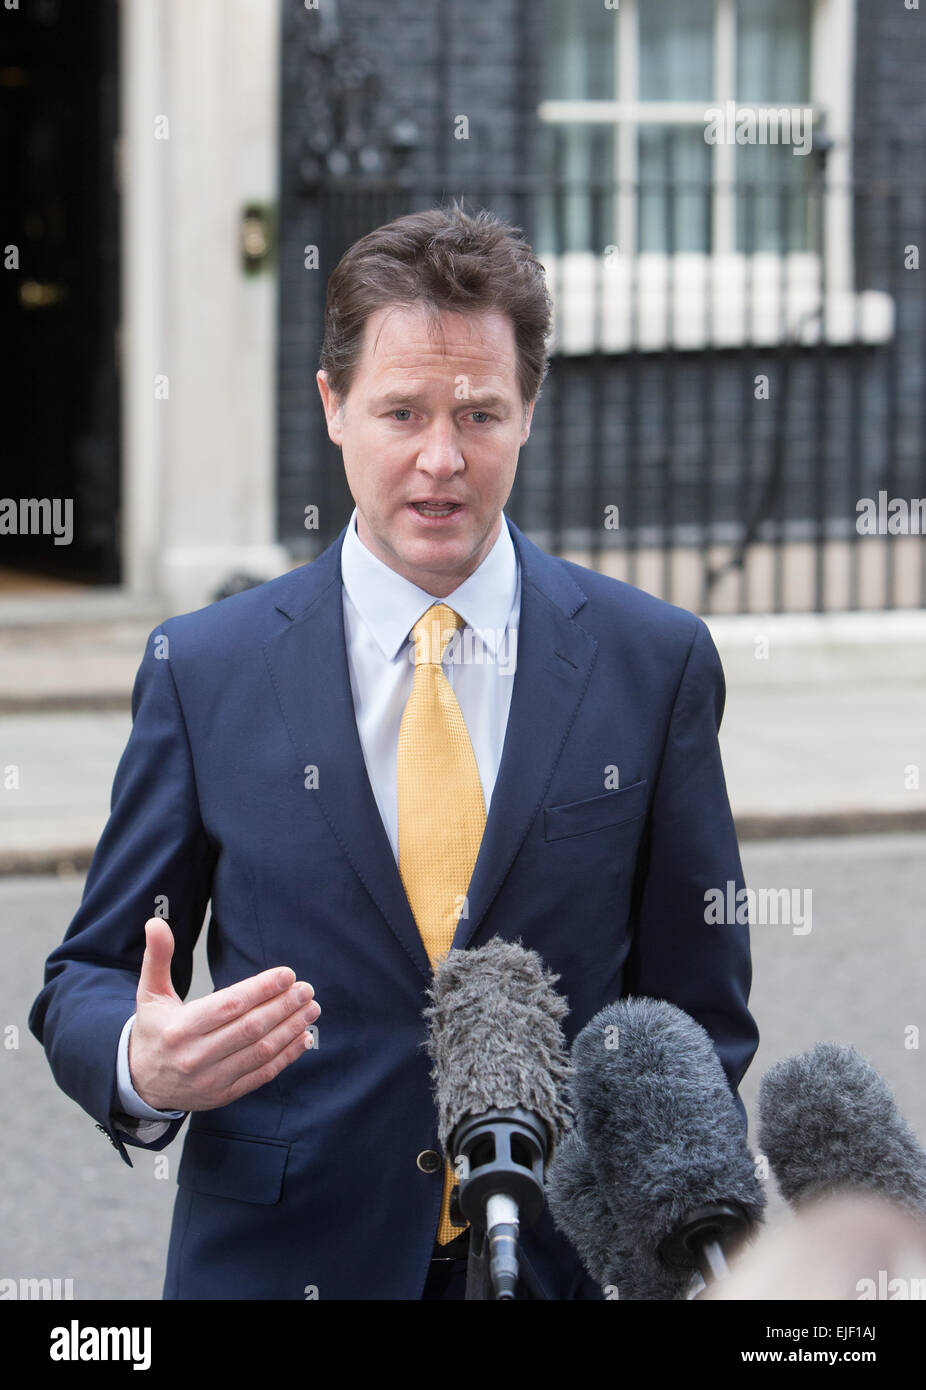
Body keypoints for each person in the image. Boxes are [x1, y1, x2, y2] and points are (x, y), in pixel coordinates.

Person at [30, 202, 758, 1300]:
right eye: (401, 410)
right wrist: (145, 1063)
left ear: (529, 414)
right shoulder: (208, 667)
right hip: (280, 1266)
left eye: (478, 413)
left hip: (559, 1271)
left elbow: (694, 1022)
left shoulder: (650, 664)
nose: (438, 459)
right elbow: (87, 976)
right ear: (332, 407)